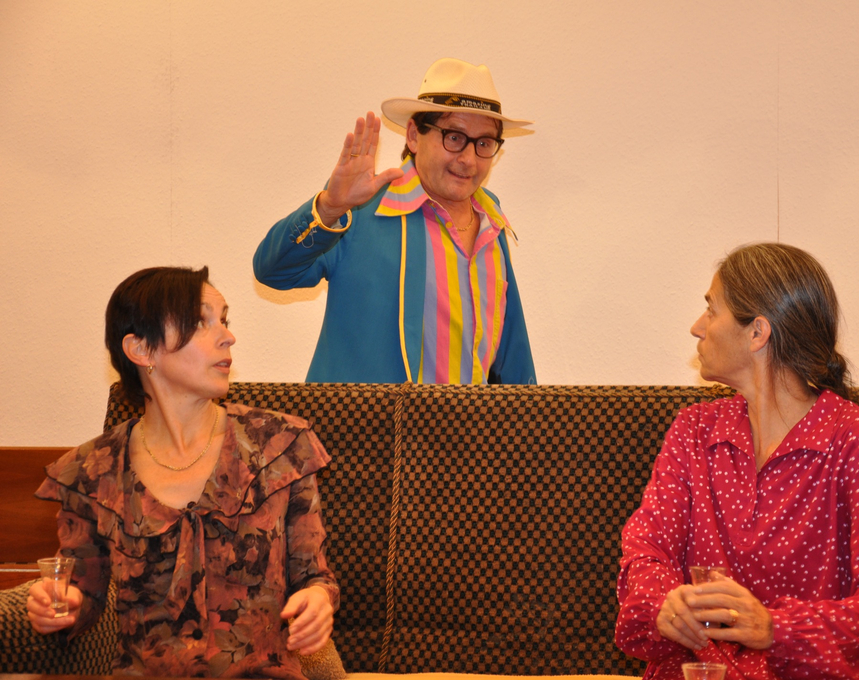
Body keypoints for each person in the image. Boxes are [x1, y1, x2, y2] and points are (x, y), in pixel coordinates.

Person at [615, 244, 859, 680]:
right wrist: (666, 605)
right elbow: (647, 549)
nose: (697, 327)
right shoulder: (694, 431)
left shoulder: (858, 442)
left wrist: (775, 628)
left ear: (757, 333)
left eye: (712, 310)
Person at [27, 266, 339, 679]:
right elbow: (82, 594)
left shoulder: (279, 445)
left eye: (224, 320)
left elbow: (315, 577)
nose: (228, 336)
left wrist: (318, 601)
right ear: (142, 350)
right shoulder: (90, 472)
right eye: (200, 322)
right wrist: (60, 604)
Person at [253, 58, 536, 385]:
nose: (469, 160)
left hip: (468, 421)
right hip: (362, 420)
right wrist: (329, 207)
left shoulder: (493, 219)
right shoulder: (363, 207)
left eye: (484, 143)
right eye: (454, 137)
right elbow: (273, 271)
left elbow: (510, 354)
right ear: (414, 135)